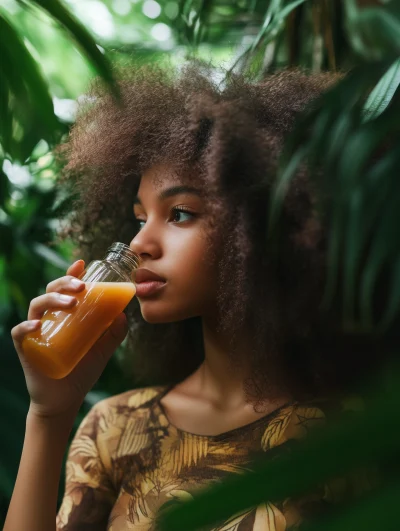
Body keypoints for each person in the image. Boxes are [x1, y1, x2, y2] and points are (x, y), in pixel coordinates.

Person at [4, 61, 373, 531]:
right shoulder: (114, 428)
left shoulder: (356, 432)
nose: (140, 243)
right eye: (140, 218)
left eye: (179, 214)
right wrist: (49, 414)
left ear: (262, 229)